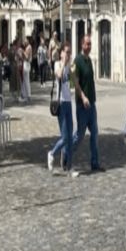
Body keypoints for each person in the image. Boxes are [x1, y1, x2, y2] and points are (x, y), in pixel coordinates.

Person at [71, 35, 103, 172]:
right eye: (87, 44)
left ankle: (95, 163)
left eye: (90, 44)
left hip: (92, 104)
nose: (89, 46)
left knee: (95, 133)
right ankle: (66, 153)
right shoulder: (77, 61)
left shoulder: (89, 60)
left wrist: (91, 99)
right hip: (82, 104)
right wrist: (83, 97)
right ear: (82, 45)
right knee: (80, 135)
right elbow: (75, 82)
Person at [47, 43, 78, 178]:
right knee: (65, 137)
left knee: (70, 138)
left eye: (70, 52)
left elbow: (73, 82)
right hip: (60, 104)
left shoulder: (69, 68)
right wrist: (64, 63)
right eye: (66, 52)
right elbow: (58, 75)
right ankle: (52, 153)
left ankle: (69, 167)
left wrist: (81, 95)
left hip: (68, 103)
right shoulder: (58, 65)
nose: (68, 54)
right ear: (61, 53)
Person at [20, 37, 32, 102]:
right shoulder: (28, 47)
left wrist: (23, 52)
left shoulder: (28, 47)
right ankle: (24, 94)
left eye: (25, 41)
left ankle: (28, 95)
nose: (24, 42)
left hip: (26, 64)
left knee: (26, 80)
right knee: (25, 80)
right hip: (26, 64)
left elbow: (27, 57)